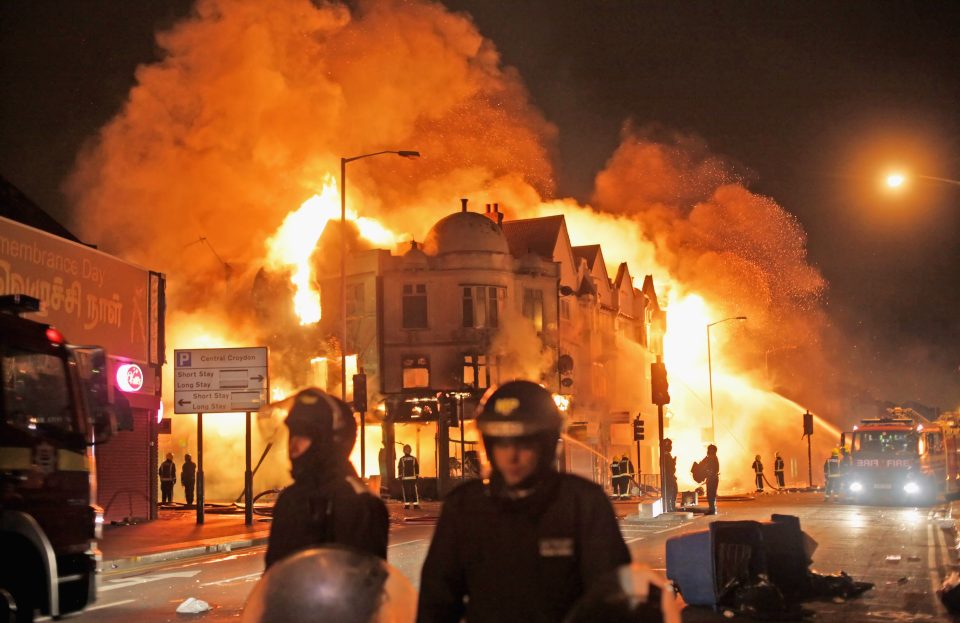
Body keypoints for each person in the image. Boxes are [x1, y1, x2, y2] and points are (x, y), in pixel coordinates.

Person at [418, 380, 631, 623]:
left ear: (547, 443)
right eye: (502, 443)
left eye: (524, 443)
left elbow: (611, 599)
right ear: (488, 444)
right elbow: (436, 604)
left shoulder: (582, 503)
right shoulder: (465, 507)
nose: (512, 456)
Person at [264, 388, 389, 569]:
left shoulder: (359, 504)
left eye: (305, 436)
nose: (294, 445)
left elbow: (366, 584)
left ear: (329, 441)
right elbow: (273, 575)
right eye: (293, 434)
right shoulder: (289, 499)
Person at [398, 444, 421, 510]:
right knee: (412, 491)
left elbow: (400, 468)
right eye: (406, 449)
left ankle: (408, 505)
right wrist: (417, 476)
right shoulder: (414, 458)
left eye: (407, 449)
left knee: (407, 491)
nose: (407, 450)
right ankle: (414, 505)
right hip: (411, 478)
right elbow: (417, 468)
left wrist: (400, 477)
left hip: (406, 478)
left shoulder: (402, 459)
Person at [700, 444, 720, 515]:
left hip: (712, 478)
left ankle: (712, 509)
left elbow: (715, 469)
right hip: (712, 478)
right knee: (711, 494)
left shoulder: (712, 458)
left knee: (711, 494)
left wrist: (708, 473)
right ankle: (712, 508)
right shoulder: (712, 458)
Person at [662, 438, 677, 512]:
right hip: (668, 478)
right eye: (669, 445)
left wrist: (673, 462)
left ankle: (672, 507)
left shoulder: (667, 455)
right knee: (669, 493)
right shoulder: (664, 456)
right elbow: (668, 468)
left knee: (674, 492)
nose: (671, 447)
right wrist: (673, 463)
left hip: (671, 477)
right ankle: (669, 507)